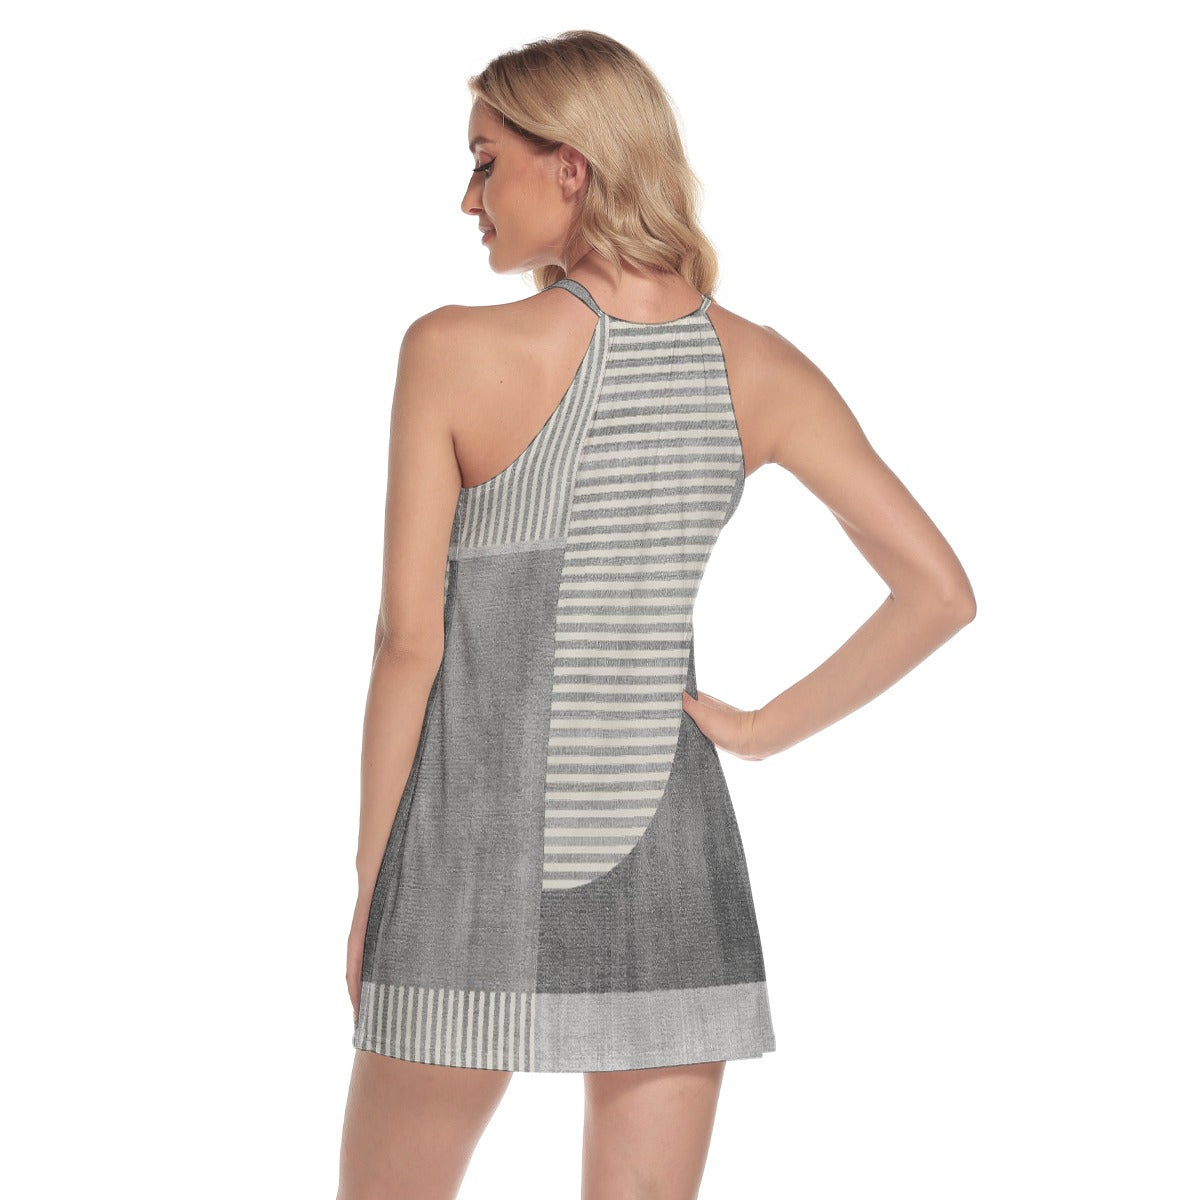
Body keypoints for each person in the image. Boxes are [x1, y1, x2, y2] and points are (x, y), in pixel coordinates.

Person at [336, 29, 976, 1200]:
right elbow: (938, 591)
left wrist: (377, 879)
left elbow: (408, 644)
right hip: (672, 857)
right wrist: (758, 731)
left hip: (466, 859)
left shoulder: (453, 351)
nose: (468, 198)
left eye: (485, 162)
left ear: (570, 167)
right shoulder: (759, 369)